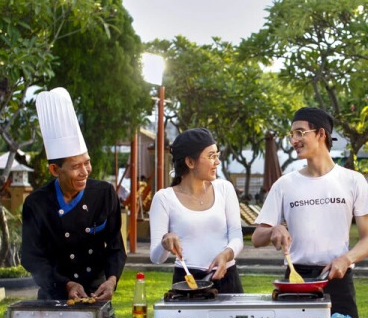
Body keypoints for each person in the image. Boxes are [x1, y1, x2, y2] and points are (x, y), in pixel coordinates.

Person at [252, 107, 368, 318]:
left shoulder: (353, 181)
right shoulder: (284, 184)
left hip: (338, 279)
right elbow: (256, 238)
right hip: (296, 280)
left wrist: (346, 259)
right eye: (292, 135)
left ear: (321, 134)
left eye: (300, 132)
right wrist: (273, 230)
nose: (294, 140)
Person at [21, 87, 126, 301]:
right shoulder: (37, 204)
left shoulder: (104, 194)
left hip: (96, 293)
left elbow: (115, 246)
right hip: (54, 293)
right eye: (76, 166)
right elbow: (31, 258)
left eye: (87, 163)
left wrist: (112, 280)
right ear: (54, 170)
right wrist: (66, 284)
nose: (85, 171)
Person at [149, 128, 244, 292]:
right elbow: (156, 258)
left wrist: (226, 255)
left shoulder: (224, 188)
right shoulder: (164, 198)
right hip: (187, 281)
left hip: (227, 277)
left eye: (217, 155)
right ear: (190, 162)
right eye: (211, 156)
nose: (217, 162)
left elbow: (236, 235)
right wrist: (165, 243)